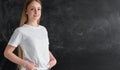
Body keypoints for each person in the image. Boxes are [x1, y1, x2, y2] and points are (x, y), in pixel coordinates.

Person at [4, 0, 57, 70]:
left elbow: (43, 48)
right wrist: (26, 64)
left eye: (38, 9)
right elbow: (7, 53)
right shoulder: (21, 31)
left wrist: (53, 59)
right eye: (32, 9)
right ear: (26, 11)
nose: (36, 12)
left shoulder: (43, 29)